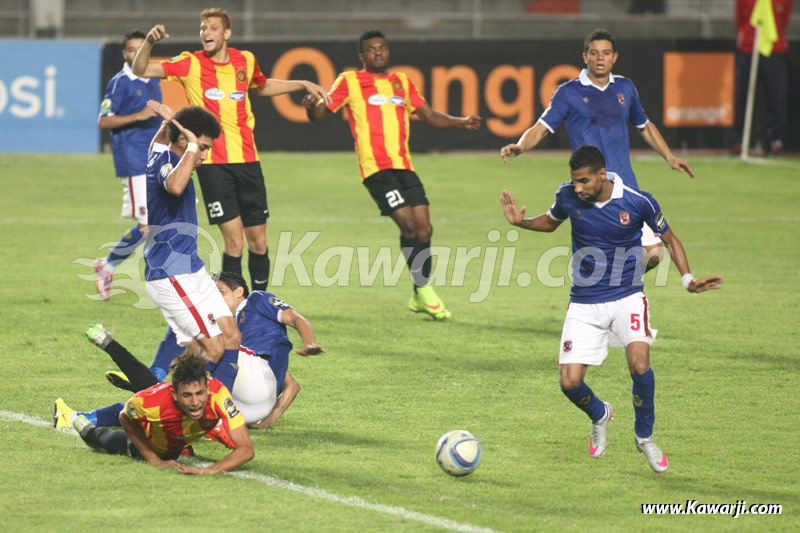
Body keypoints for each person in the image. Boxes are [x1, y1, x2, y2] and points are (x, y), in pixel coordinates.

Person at [500, 145, 723, 473]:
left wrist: (687, 279)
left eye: (584, 181)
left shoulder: (637, 200)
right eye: (575, 181)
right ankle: (600, 413)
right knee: (569, 382)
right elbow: (550, 223)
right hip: (584, 301)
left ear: (602, 175)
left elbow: (670, 240)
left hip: (627, 295)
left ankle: (644, 437)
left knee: (639, 362)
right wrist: (521, 223)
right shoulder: (568, 196)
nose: (578, 188)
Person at [132, 8, 330, 291]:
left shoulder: (245, 61)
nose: (206, 33)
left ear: (226, 33)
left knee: (258, 241)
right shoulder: (190, 63)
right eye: (203, 28)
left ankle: (260, 300)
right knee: (234, 241)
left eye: (212, 28)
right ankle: (234, 301)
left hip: (249, 160)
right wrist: (150, 41)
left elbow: (261, 87)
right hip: (212, 165)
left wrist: (302, 82)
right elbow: (141, 69)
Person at [303, 30, 482, 319]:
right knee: (408, 224)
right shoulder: (349, 81)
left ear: (388, 51)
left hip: (404, 166)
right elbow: (323, 112)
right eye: (371, 49)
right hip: (375, 169)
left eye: (382, 48)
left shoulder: (402, 82)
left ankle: (418, 294)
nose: (378, 53)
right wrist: (312, 108)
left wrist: (462, 122)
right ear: (362, 56)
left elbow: (429, 115)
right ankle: (425, 291)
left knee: (425, 229)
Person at [500, 28, 694, 269]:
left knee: (654, 254)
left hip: (625, 187)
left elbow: (644, 125)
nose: (600, 58)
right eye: (594, 53)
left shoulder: (625, 88)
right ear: (585, 57)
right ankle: (607, 287)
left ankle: (611, 283)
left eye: (606, 53)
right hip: (591, 189)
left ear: (615, 57)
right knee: (609, 252)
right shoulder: (568, 92)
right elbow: (541, 127)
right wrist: (520, 145)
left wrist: (670, 157)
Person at [144, 102, 240, 391]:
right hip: (172, 275)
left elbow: (161, 139)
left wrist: (172, 121)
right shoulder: (168, 163)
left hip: (191, 268)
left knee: (231, 335)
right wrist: (191, 147)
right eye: (204, 147)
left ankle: (212, 407)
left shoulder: (162, 150)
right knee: (212, 349)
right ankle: (172, 409)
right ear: (186, 142)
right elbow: (174, 186)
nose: (205, 156)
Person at [55, 351, 254, 474]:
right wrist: (153, 458)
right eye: (187, 395)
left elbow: (246, 450)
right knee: (115, 443)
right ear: (175, 394)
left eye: (200, 393)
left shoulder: (219, 393)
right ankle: (86, 428)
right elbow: (125, 416)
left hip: (182, 437)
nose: (195, 402)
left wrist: (209, 471)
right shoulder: (153, 402)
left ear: (207, 389)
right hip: (155, 442)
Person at [94, 30, 163, 301]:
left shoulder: (153, 77)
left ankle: (109, 266)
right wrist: (139, 115)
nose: (136, 54)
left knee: (157, 224)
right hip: (134, 161)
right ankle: (116, 269)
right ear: (125, 54)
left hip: (157, 159)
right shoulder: (120, 82)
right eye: (131, 50)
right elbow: (104, 121)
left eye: (140, 49)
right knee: (149, 225)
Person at [731, 0, 792, 156]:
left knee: (777, 97)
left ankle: (774, 140)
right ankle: (740, 140)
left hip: (775, 49)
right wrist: (748, 37)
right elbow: (740, 19)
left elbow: (784, 20)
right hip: (748, 48)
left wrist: (774, 39)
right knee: (742, 96)